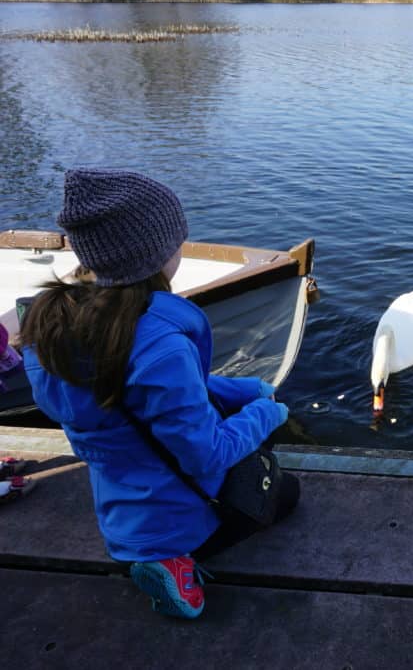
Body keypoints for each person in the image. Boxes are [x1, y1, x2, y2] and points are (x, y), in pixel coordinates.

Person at [19, 168, 299, 619]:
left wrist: (244, 388)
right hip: (177, 516)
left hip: (120, 509)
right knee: (285, 494)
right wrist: (267, 411)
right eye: (176, 242)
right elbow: (206, 454)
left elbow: (136, 392)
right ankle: (174, 565)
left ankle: (147, 551)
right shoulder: (161, 344)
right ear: (154, 254)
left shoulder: (53, 328)